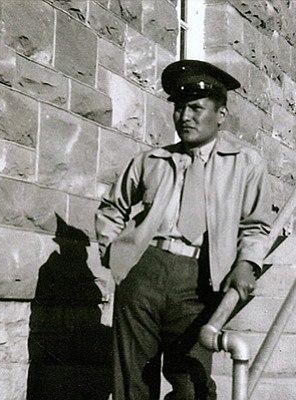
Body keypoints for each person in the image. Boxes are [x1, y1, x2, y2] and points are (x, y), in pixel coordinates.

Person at [95, 59, 271, 400]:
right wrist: (114, 255)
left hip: (201, 279)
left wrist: (247, 263)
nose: (184, 117)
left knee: (192, 385)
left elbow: (256, 225)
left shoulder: (246, 164)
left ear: (221, 114)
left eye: (195, 108)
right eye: (179, 108)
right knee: (132, 383)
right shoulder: (151, 161)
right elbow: (112, 207)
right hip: (143, 271)